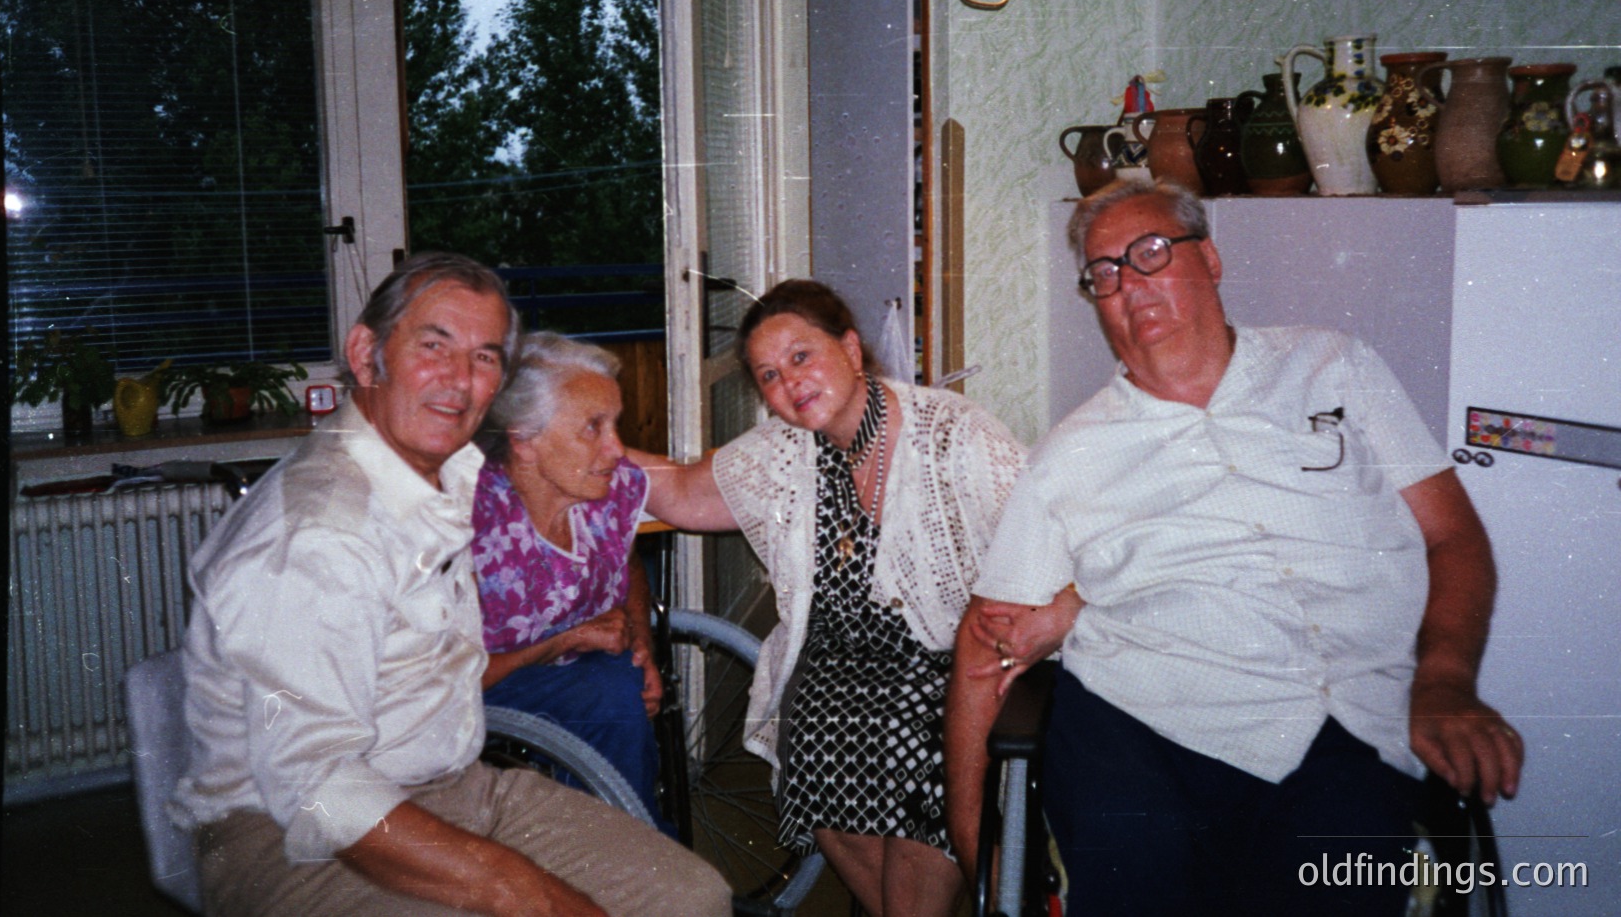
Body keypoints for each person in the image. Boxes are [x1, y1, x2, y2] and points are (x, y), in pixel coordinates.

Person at [945, 181, 1525, 916]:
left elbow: (1452, 534)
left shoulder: (1335, 367)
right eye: (1105, 272)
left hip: (1343, 722)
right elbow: (982, 643)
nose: (1129, 284)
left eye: (1150, 252)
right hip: (1146, 726)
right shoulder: (1070, 454)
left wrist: (1443, 676)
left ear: (1210, 259)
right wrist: (977, 853)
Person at [173, 252, 730, 917]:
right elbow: (314, 785)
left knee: (693, 896)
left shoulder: (453, 472)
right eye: (434, 345)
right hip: (286, 833)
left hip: (449, 784)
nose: (461, 381)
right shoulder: (318, 533)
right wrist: (514, 885)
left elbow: (625, 486)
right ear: (366, 353)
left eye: (486, 356)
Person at [634, 279, 1026, 917]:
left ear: (849, 347)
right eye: (768, 375)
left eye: (800, 356)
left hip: (950, 667)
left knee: (911, 777)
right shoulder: (784, 451)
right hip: (836, 672)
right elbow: (678, 489)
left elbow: (1044, 538)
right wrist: (583, 440)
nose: (789, 383)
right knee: (810, 744)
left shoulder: (953, 433)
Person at [472, 332, 668, 831]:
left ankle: (628, 849)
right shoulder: (470, 521)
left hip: (576, 674)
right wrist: (566, 640)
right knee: (606, 696)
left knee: (613, 686)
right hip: (473, 692)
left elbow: (627, 563)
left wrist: (641, 644)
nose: (618, 448)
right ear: (524, 440)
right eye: (593, 427)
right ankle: (627, 853)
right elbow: (440, 677)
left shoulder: (605, 488)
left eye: (615, 424)